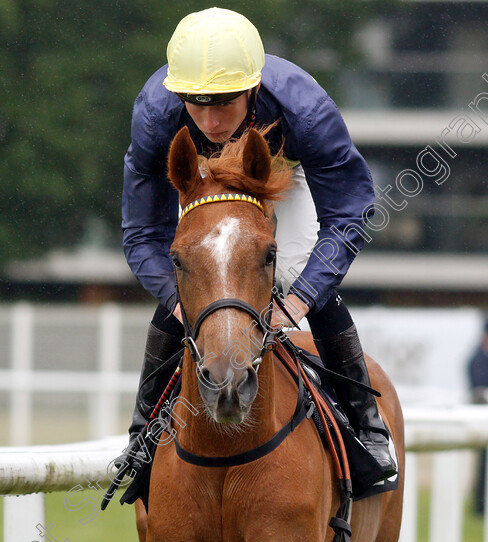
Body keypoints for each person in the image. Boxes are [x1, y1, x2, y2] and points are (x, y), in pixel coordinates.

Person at [117, 7, 396, 482]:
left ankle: (365, 428)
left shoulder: (305, 111)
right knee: (195, 275)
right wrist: (176, 298)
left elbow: (349, 213)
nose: (208, 121)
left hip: (282, 174)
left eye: (223, 103)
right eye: (194, 103)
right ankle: (144, 434)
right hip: (202, 184)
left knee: (291, 269)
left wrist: (301, 299)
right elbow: (142, 233)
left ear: (253, 87)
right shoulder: (156, 114)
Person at [466, 318, 488, 515]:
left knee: (486, 464)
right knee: (484, 464)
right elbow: (480, 386)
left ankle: (482, 505)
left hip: (485, 413)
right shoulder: (480, 357)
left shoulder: (483, 356)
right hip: (482, 413)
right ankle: (480, 506)